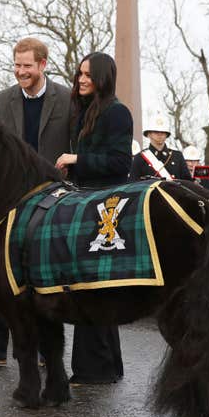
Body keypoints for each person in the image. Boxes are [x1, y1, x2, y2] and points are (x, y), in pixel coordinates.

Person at [0, 37, 72, 365]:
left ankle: (46, 349)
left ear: (43, 65)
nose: (20, 71)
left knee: (45, 273)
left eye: (27, 66)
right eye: (16, 65)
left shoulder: (67, 99)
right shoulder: (1, 100)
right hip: (11, 197)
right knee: (3, 271)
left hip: (52, 198)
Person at [55, 52, 130, 384]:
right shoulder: (82, 111)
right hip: (84, 202)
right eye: (79, 74)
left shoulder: (117, 113)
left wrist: (76, 158)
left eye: (88, 75)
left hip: (103, 207)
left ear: (103, 78)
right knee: (91, 286)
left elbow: (119, 164)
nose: (82, 79)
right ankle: (104, 366)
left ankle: (95, 368)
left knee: (92, 287)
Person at [129, 113, 192, 181]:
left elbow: (187, 182)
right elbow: (134, 185)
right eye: (156, 132)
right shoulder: (140, 158)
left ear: (166, 135)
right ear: (149, 134)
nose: (160, 134)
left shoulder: (177, 156)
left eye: (163, 132)